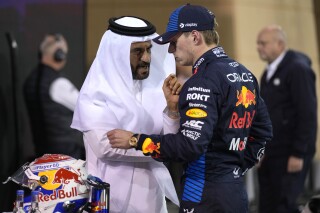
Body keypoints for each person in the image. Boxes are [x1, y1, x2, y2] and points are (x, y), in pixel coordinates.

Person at [107, 4, 273, 212]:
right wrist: (233, 168)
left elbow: (189, 146)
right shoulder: (244, 73)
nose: (169, 49)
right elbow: (263, 134)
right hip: (235, 192)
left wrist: (135, 140)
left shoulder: (201, 81)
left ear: (195, 37)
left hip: (204, 192)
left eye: (174, 42)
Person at [71, 16, 180, 213]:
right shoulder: (95, 92)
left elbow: (172, 141)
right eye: (137, 51)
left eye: (148, 49)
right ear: (117, 54)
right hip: (109, 198)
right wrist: (157, 146)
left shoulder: (158, 89)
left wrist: (172, 111)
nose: (146, 58)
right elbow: (105, 147)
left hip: (152, 198)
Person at [256, 24, 317, 213]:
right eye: (258, 43)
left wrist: (299, 152)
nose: (258, 47)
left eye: (263, 43)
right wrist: (261, 148)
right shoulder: (268, 72)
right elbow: (265, 114)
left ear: (280, 44)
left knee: (284, 205)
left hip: (291, 152)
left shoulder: (297, 69)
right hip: (272, 152)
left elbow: (307, 113)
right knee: (267, 204)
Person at [23, 33, 84, 159]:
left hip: (43, 152)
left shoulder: (29, 81)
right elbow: (87, 107)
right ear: (59, 55)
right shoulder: (58, 83)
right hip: (67, 154)